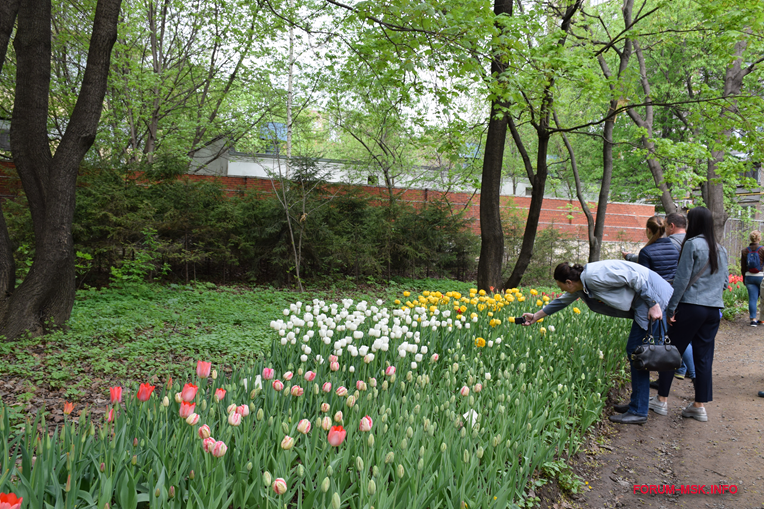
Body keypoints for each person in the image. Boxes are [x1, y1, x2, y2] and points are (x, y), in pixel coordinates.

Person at [521, 260, 673, 425]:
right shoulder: (582, 286)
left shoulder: (594, 275)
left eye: (561, 287)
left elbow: (636, 278)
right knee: (636, 354)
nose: (562, 290)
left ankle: (638, 410)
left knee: (637, 354)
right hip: (646, 302)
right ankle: (636, 404)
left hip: (652, 300)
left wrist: (654, 304)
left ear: (569, 282)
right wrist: (536, 316)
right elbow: (561, 301)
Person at [654, 206, 729, 422]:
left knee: (671, 352)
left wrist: (671, 308)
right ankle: (699, 406)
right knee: (704, 358)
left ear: (694, 222)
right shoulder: (720, 249)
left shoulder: (693, 244)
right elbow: (724, 283)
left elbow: (682, 280)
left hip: (691, 307)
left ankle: (661, 401)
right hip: (714, 310)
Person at [741, 231, 764, 326]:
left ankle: (753, 320)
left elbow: (743, 267)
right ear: (759, 239)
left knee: (752, 299)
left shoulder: (745, 251)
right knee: (763, 299)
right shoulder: (762, 249)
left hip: (749, 277)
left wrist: (744, 278)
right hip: (761, 276)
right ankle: (762, 319)